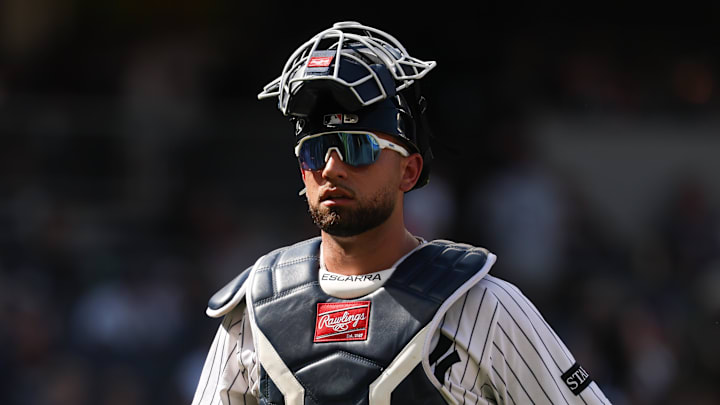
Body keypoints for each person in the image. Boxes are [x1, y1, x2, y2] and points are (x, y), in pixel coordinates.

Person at [191, 21, 612, 405]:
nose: (332, 168)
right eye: (316, 151)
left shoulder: (482, 305)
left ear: (408, 171)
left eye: (358, 147)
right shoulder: (254, 311)